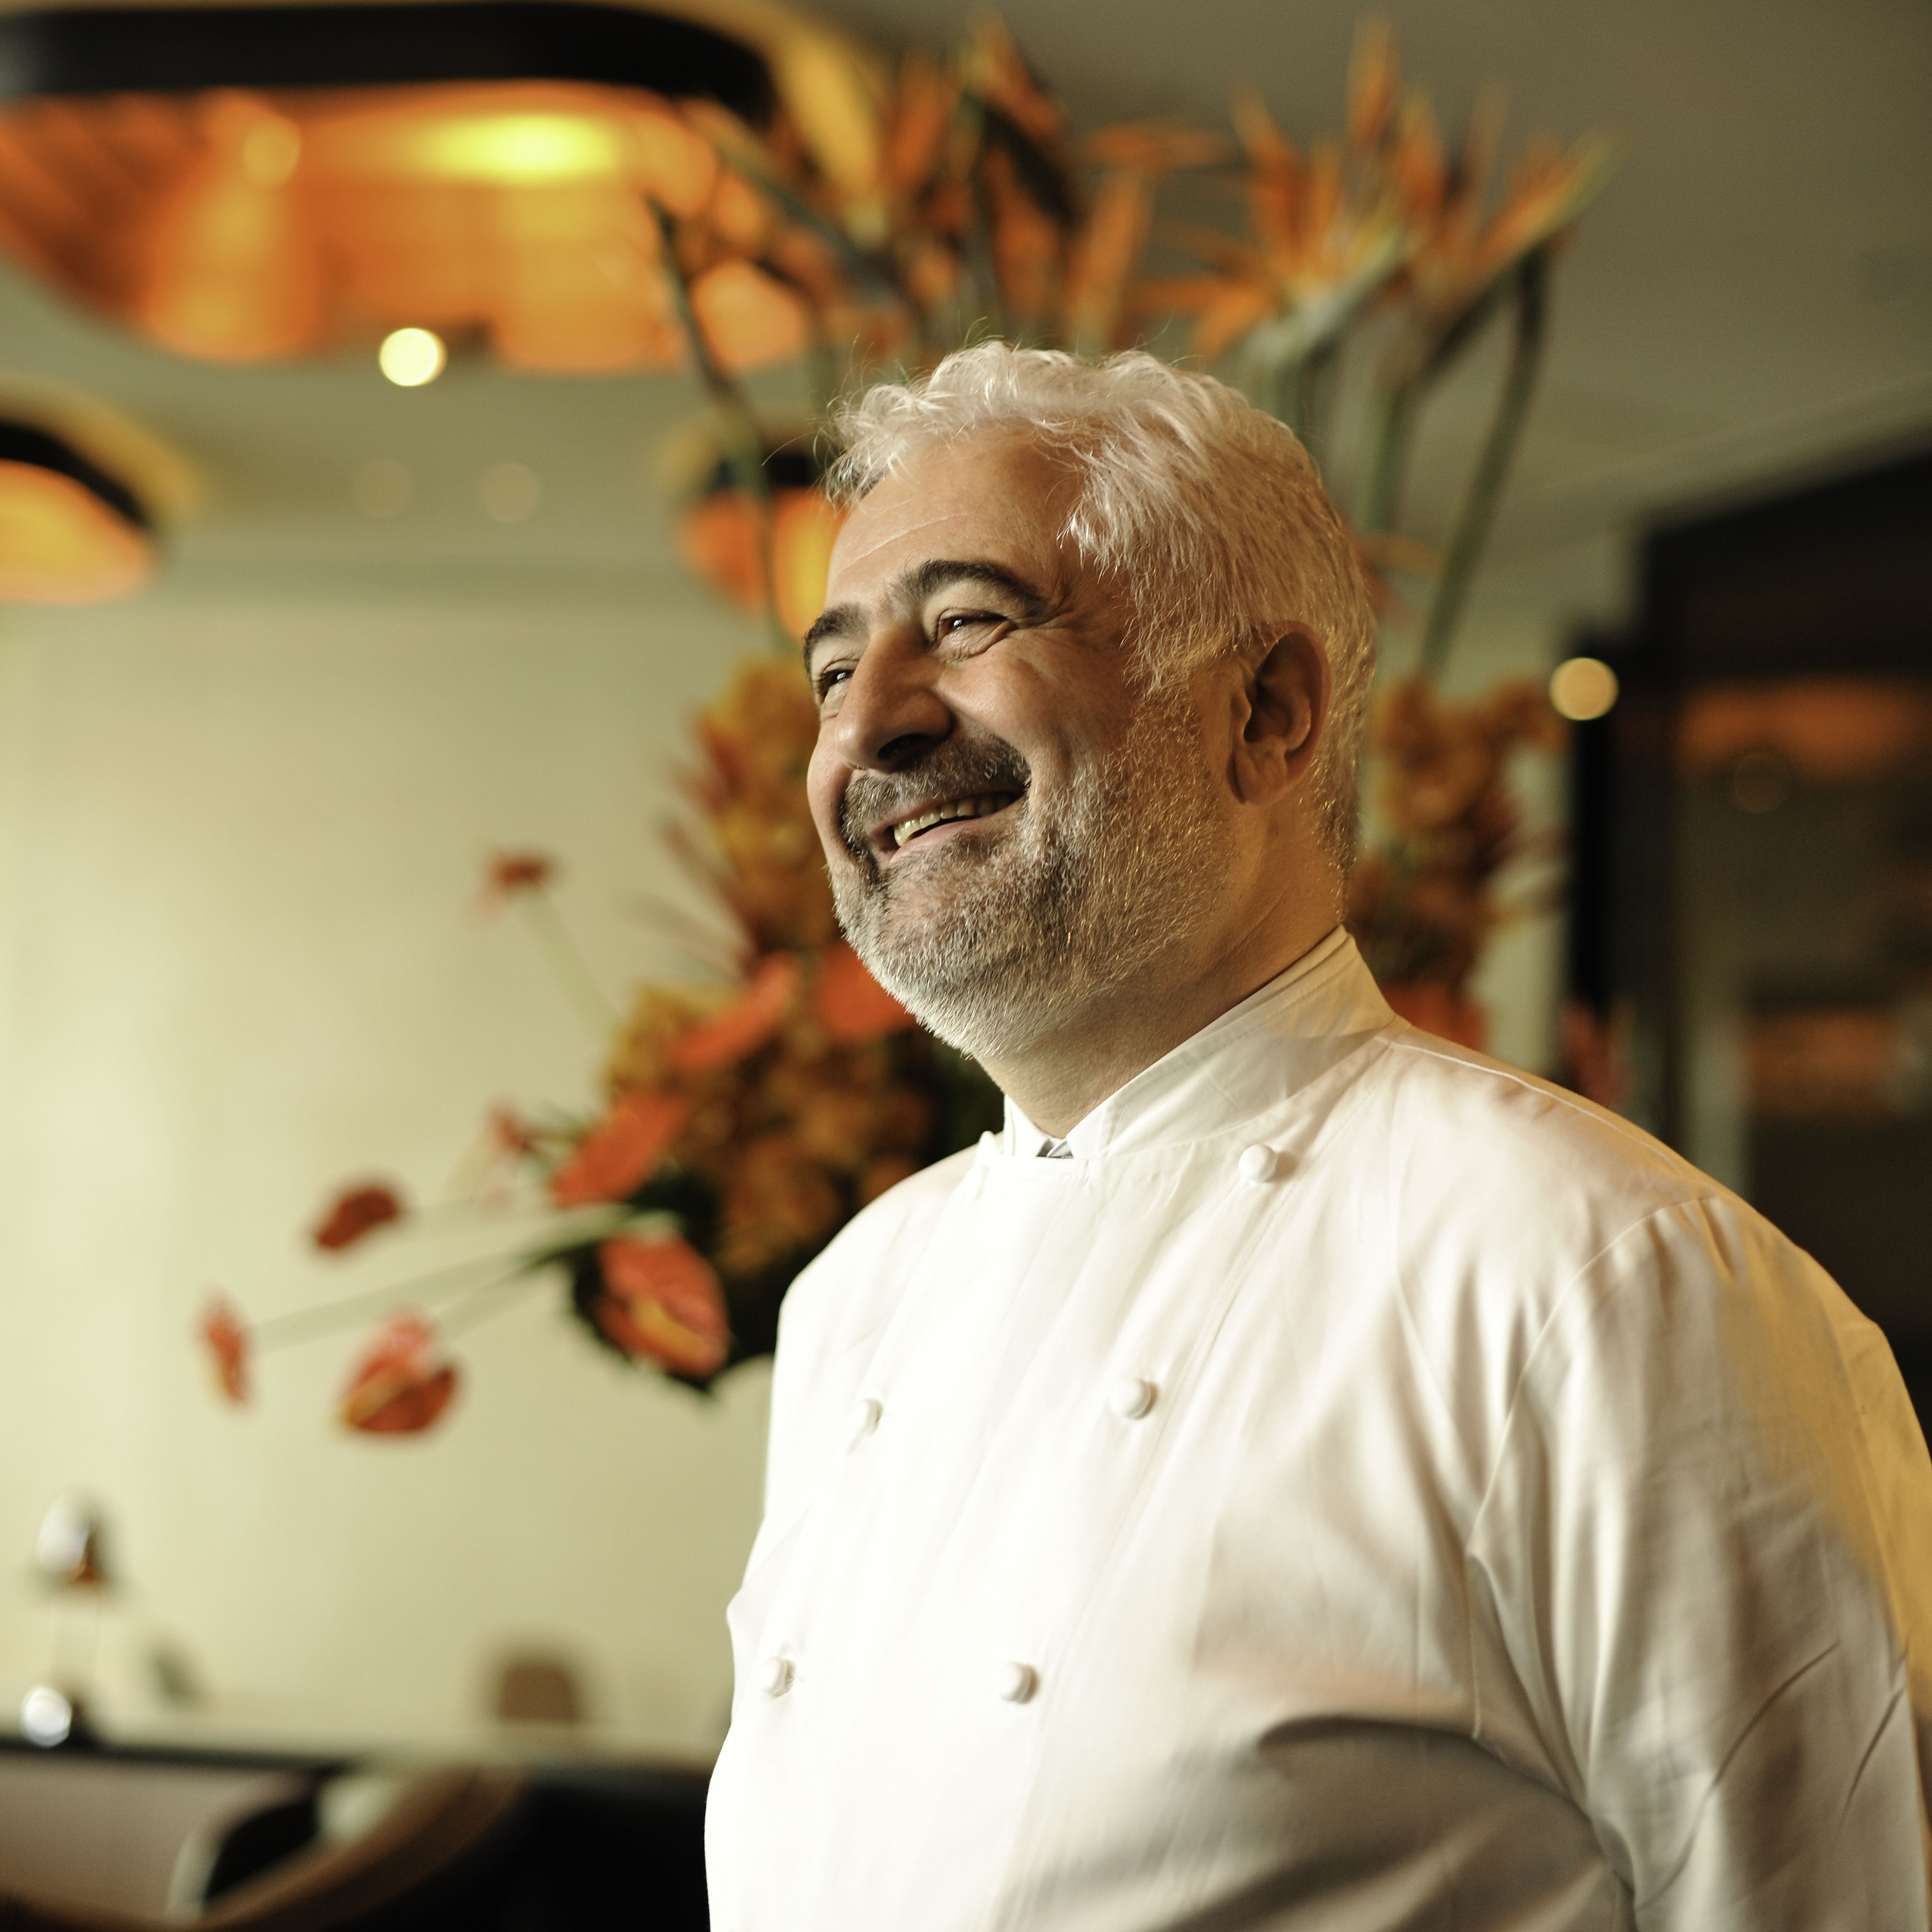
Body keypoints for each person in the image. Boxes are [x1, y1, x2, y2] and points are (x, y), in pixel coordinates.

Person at [703, 344, 1932, 1930]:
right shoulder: (858, 1296)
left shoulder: (1601, 1276)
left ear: (1267, 714)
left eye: (967, 623)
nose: (867, 724)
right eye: (830, 671)